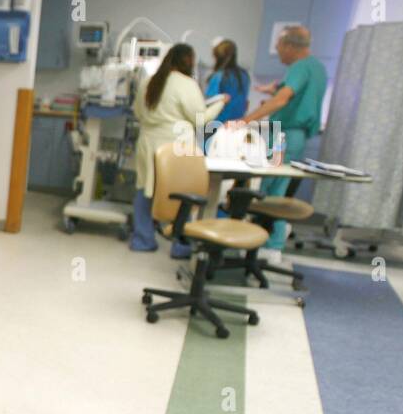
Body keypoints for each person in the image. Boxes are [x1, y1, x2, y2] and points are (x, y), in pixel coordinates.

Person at [229, 25, 328, 258]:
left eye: (279, 48)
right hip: (293, 135)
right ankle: (269, 243)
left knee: (270, 194)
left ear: (290, 46)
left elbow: (283, 100)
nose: (278, 53)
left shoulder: (300, 67)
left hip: (285, 134)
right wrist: (273, 90)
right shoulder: (317, 67)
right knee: (277, 191)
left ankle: (270, 246)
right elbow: (288, 93)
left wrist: (245, 121)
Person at [130, 43, 227, 254]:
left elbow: (138, 112)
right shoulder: (186, 84)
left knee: (145, 189)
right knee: (183, 194)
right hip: (175, 146)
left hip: (147, 143)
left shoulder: (149, 81)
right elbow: (201, 119)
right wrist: (220, 103)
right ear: (189, 61)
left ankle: (142, 239)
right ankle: (180, 244)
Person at [204, 39, 250, 123]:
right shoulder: (244, 75)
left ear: (216, 57)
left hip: (217, 126)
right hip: (237, 125)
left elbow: (209, 104)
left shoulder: (218, 76)